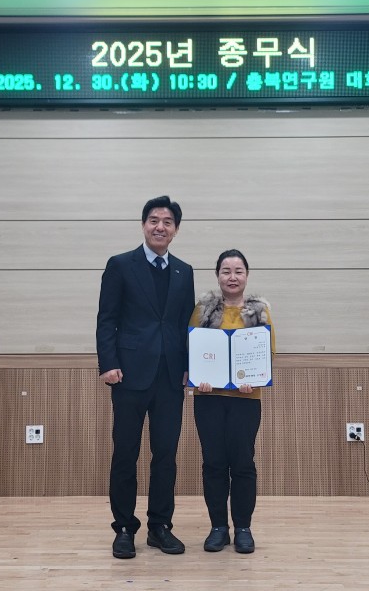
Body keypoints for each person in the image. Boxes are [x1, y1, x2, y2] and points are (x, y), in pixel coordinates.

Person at [96, 195, 195, 559]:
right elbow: (107, 318)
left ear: (176, 230)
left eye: (167, 222)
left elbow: (186, 324)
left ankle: (160, 526)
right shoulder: (121, 265)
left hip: (170, 378)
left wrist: (191, 367)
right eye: (154, 220)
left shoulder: (184, 271)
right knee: (125, 453)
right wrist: (108, 363)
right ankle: (124, 528)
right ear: (143, 225)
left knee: (165, 455)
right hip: (128, 375)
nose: (160, 227)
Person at [191, 249, 274, 554]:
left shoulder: (260, 311)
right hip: (208, 398)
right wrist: (198, 376)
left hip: (246, 399)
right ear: (217, 276)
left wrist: (256, 376)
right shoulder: (203, 310)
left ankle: (242, 528)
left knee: (242, 464)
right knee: (213, 463)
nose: (232, 277)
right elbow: (192, 349)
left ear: (247, 276)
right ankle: (218, 528)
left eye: (238, 271)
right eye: (226, 271)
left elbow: (268, 352)